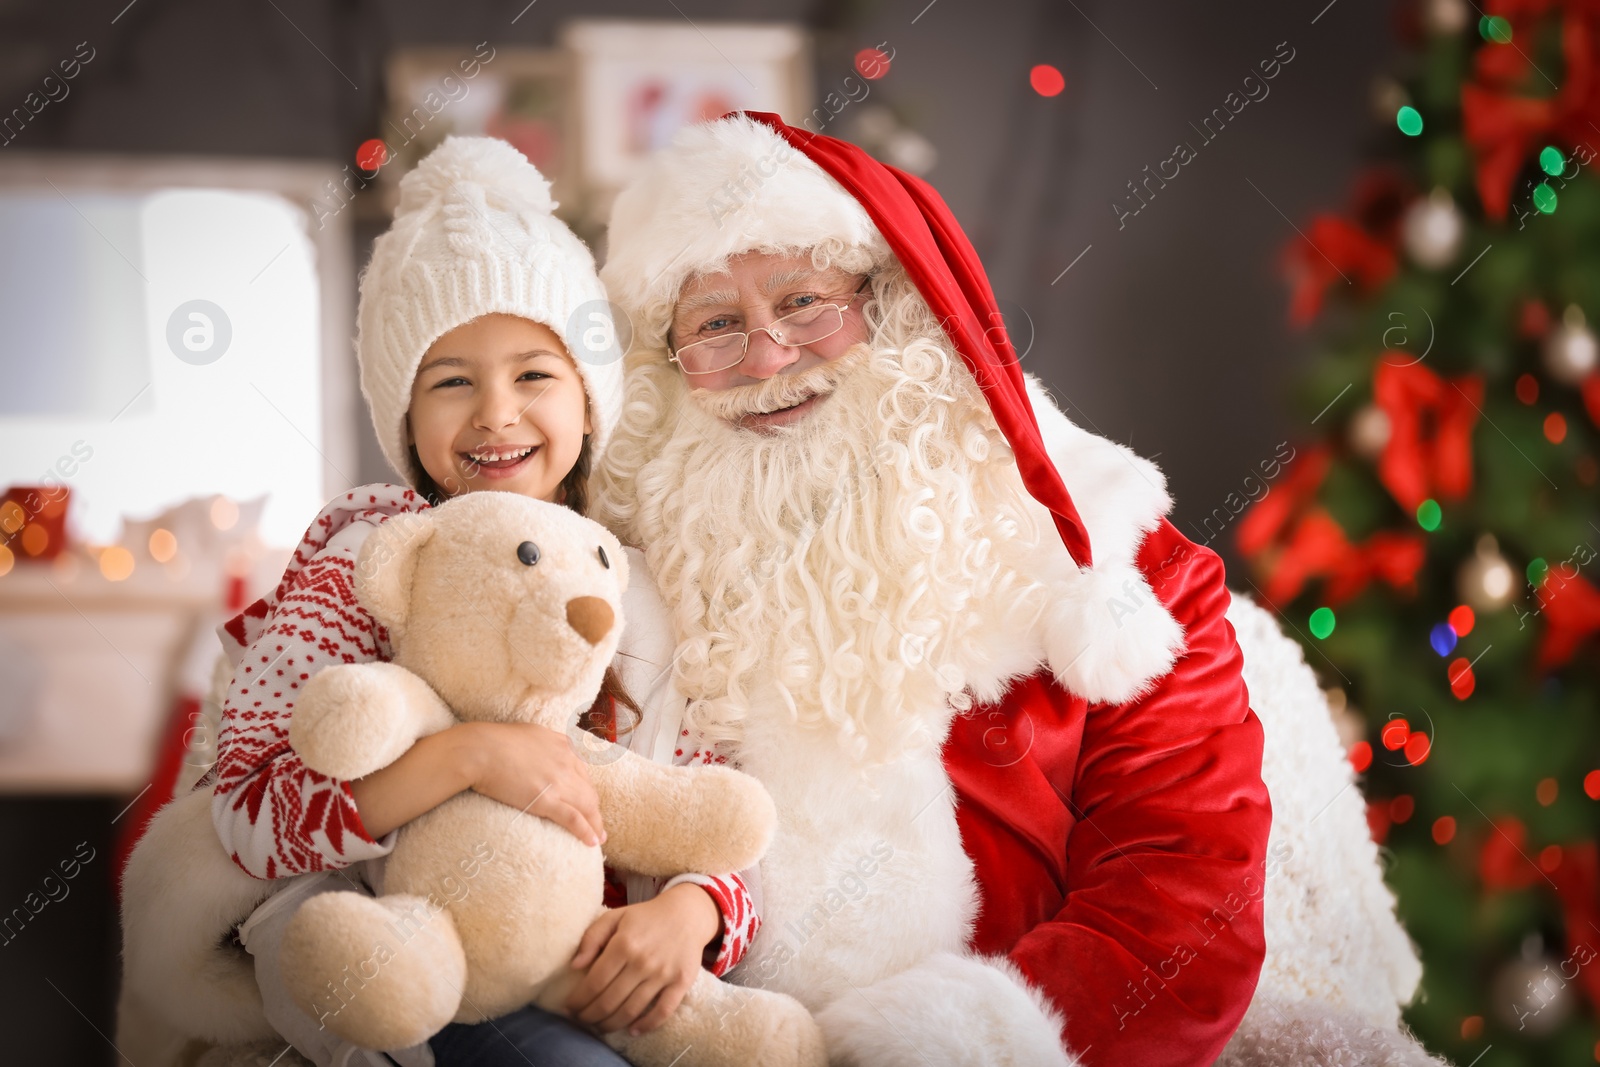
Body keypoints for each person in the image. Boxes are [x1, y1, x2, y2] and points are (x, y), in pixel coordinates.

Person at [589, 110, 1274, 1066]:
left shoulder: (1126, 573)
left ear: (896, 306)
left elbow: (1185, 898)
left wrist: (968, 1046)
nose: (767, 357)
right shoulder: (609, 587)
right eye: (713, 324)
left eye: (803, 303)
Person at [200, 135, 757, 1067]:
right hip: (435, 975)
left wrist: (691, 907)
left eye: (534, 374)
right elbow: (248, 811)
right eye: (451, 381)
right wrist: (466, 756)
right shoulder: (361, 566)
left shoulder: (645, 584)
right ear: (406, 420)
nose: (496, 413)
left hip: (618, 976)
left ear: (588, 401)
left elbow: (722, 797)